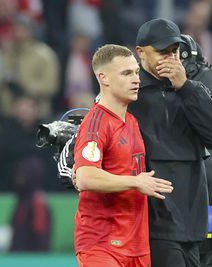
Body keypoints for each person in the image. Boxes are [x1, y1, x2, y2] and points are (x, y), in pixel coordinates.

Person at [129, 18, 212, 267]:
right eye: (161, 51)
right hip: (155, 218)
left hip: (193, 219)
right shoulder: (130, 93)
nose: (169, 58)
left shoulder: (192, 90)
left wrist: (185, 87)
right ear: (141, 52)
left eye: (174, 51)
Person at [72, 44, 173, 267]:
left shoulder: (132, 121)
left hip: (136, 245)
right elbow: (85, 177)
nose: (136, 79)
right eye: (126, 73)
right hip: (102, 244)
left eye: (136, 72)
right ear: (103, 78)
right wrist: (136, 182)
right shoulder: (96, 123)